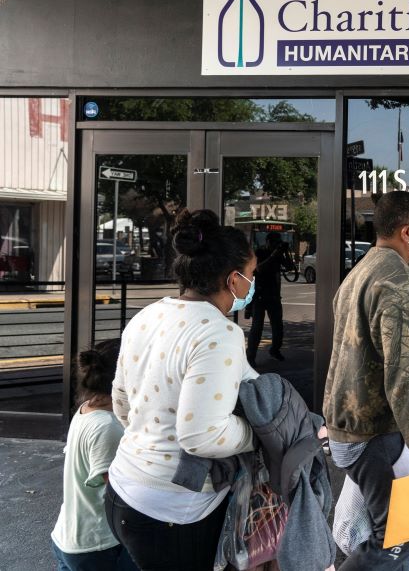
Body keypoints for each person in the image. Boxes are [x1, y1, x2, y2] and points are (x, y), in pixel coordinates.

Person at [104, 209, 259, 569]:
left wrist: (152, 438)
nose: (252, 285)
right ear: (232, 279)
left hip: (123, 490)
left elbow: (122, 402)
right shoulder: (219, 332)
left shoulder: (149, 314)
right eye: (251, 275)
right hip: (172, 509)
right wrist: (256, 435)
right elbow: (203, 436)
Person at [324, 191, 409, 571]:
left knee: (390, 533)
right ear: (407, 232)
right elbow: (408, 375)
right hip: (372, 434)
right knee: (395, 539)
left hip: (354, 429)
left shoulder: (359, 273)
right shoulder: (398, 284)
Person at [51, 340, 138, 571]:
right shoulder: (107, 426)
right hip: (98, 545)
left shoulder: (86, 409)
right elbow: (119, 493)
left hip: (70, 536)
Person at [246, 231, 294, 366]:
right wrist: (274, 255)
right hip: (259, 295)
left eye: (277, 243)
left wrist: (285, 253)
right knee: (257, 327)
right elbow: (259, 269)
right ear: (267, 242)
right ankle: (251, 356)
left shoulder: (278, 255)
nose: (275, 245)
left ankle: (275, 350)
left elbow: (290, 267)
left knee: (278, 326)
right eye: (273, 242)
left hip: (274, 295)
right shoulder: (259, 253)